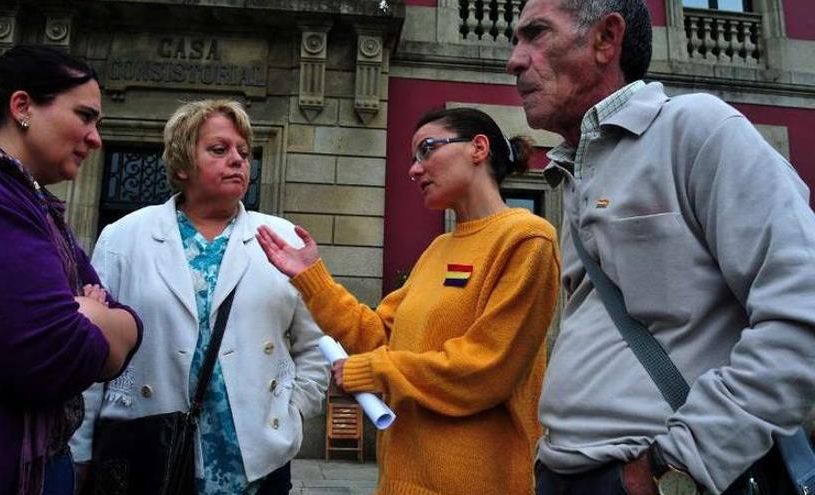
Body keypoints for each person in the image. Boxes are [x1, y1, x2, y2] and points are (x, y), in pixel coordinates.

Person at [506, 1, 815, 494]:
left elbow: (805, 307)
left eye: (535, 34)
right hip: (569, 473)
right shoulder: (574, 169)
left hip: (650, 475)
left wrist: (678, 467)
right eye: (514, 40)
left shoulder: (695, 127)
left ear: (606, 39)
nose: (515, 59)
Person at [256, 107, 560, 495]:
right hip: (400, 483)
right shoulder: (438, 248)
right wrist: (310, 277)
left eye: (427, 150)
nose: (414, 170)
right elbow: (377, 335)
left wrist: (375, 372)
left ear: (478, 148)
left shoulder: (527, 238)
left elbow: (487, 368)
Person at [70, 99, 330, 495]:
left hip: (255, 458)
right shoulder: (124, 237)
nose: (238, 160)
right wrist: (81, 449)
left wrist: (292, 411)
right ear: (181, 164)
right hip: (148, 446)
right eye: (219, 150)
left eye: (243, 152)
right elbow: (93, 349)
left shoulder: (282, 238)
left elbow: (316, 346)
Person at [0, 43, 143, 495]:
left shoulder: (32, 202)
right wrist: (89, 315)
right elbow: (54, 355)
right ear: (23, 106)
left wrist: (87, 314)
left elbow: (131, 327)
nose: (95, 138)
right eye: (85, 116)